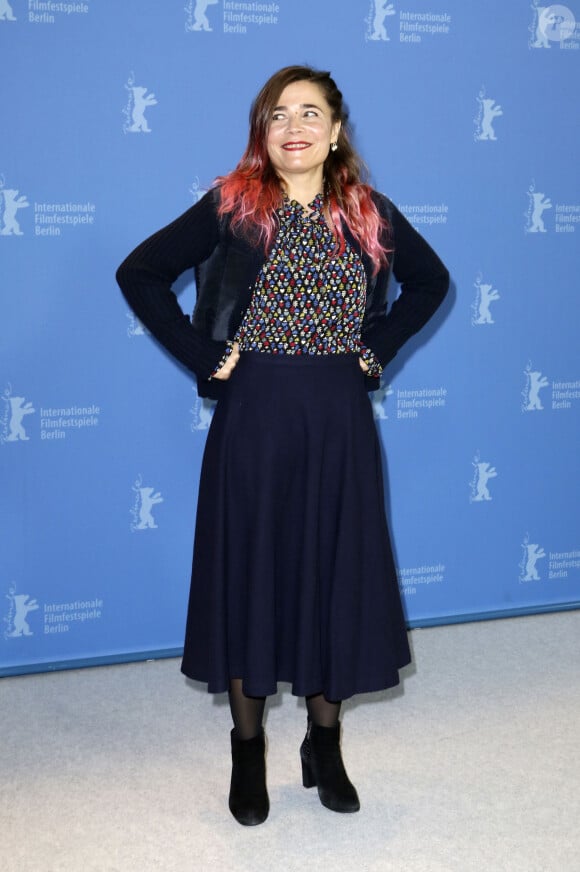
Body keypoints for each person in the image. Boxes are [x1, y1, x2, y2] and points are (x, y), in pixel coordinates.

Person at [117, 64, 449, 826]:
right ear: (262, 136)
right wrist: (206, 355)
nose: (293, 126)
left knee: (334, 571)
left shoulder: (368, 212)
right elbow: (139, 272)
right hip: (256, 413)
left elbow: (431, 285)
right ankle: (247, 748)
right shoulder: (233, 208)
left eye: (309, 113)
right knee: (252, 574)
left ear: (335, 131)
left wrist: (377, 350)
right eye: (276, 116)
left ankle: (323, 745)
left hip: (337, 415)